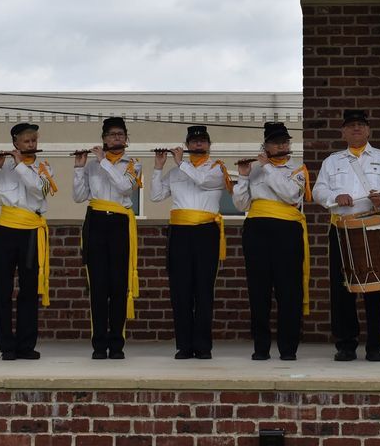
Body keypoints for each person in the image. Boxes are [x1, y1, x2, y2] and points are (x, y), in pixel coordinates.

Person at [313, 109, 380, 362]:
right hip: (341, 227)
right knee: (342, 290)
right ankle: (345, 344)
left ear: (368, 129)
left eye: (361, 125)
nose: (356, 129)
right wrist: (334, 197)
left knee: (375, 286)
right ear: (343, 132)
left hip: (373, 225)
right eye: (350, 126)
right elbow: (318, 190)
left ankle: (375, 345)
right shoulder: (331, 161)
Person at [149, 125, 231, 360]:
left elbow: (203, 182)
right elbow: (155, 196)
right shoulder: (175, 172)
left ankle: (203, 345)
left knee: (204, 290)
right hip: (180, 233)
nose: (198, 145)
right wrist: (158, 167)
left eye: (203, 141)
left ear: (209, 145)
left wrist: (180, 163)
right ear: (187, 145)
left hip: (206, 232)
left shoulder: (216, 167)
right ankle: (184, 345)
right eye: (194, 142)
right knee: (180, 290)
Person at [0, 123, 56, 361]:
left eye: (34, 141)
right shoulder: (4, 167)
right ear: (15, 144)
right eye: (27, 141)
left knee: (29, 290)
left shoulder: (44, 166)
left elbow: (39, 191)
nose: (32, 145)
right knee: (2, 289)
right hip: (5, 231)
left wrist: (21, 165)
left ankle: (26, 345)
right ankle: (6, 346)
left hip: (31, 231)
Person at [232, 122, 310, 361]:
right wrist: (244, 177)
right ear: (265, 146)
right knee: (259, 291)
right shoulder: (254, 170)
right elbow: (241, 204)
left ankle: (288, 348)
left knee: (289, 291)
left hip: (287, 229)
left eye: (284, 142)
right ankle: (261, 347)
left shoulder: (297, 169)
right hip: (257, 230)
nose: (281, 146)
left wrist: (266, 168)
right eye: (276, 142)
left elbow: (290, 194)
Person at [73, 117, 142, 360]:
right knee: (98, 286)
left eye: (121, 134)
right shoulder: (92, 166)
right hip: (97, 222)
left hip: (120, 224)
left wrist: (103, 161)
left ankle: (117, 344)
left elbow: (125, 187)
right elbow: (79, 196)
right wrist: (80, 168)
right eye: (112, 135)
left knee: (118, 285)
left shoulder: (133, 164)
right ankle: (99, 344)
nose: (117, 138)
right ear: (103, 138)